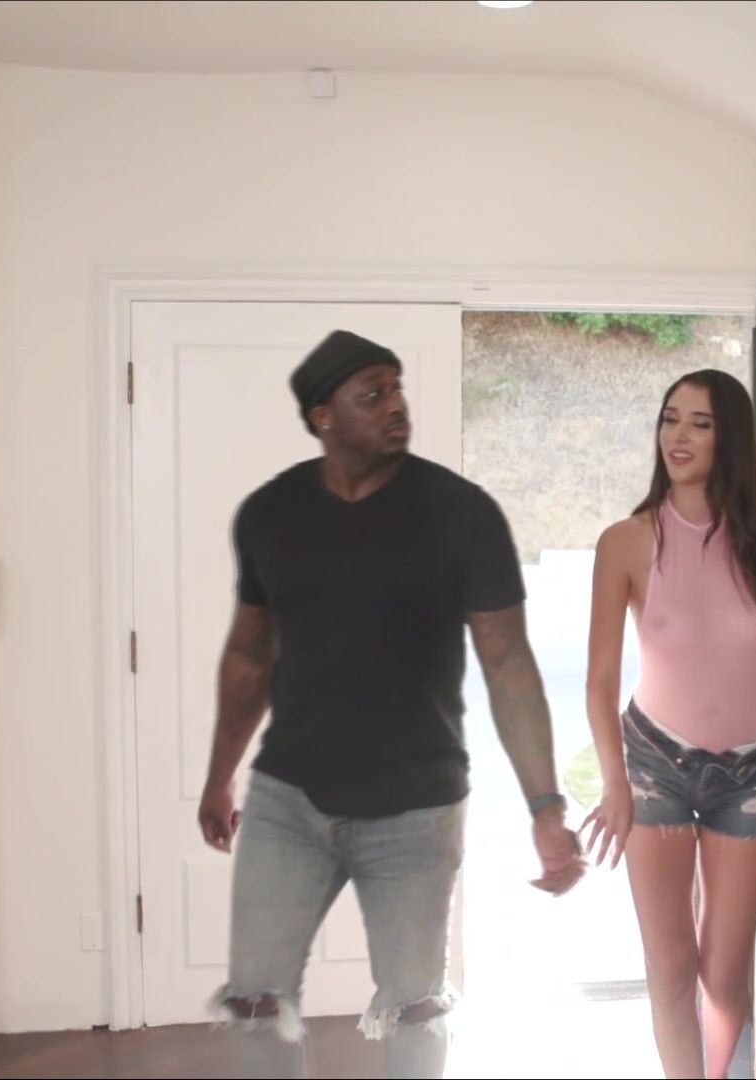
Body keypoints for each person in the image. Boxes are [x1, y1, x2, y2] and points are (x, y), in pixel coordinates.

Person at [198, 329, 585, 1080]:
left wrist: (545, 806)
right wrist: (220, 777)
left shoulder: (461, 514)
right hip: (288, 802)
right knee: (254, 1001)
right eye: (371, 393)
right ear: (323, 416)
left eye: (397, 387)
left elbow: (508, 664)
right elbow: (249, 655)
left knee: (415, 1009)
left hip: (417, 811)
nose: (395, 405)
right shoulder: (271, 514)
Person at [580, 369, 756, 1080]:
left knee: (723, 976)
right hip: (655, 764)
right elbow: (599, 680)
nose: (678, 436)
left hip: (754, 770)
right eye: (670, 418)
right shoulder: (625, 541)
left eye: (700, 422)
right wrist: (615, 781)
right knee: (671, 967)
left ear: (730, 438)